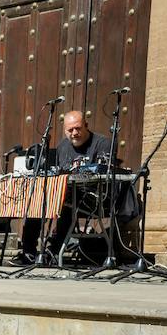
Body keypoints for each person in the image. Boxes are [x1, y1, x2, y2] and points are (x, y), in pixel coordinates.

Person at [14, 110, 115, 264]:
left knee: (68, 202)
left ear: (86, 126)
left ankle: (54, 250)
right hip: (66, 194)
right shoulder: (63, 145)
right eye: (70, 130)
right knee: (38, 198)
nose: (74, 133)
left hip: (93, 198)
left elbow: (102, 173)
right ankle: (29, 251)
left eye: (78, 128)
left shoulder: (102, 143)